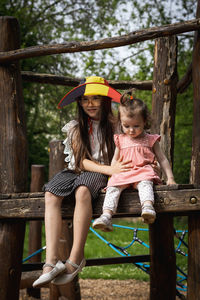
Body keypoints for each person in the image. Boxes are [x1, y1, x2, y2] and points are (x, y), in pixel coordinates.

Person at [33, 76, 133, 288]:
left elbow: (141, 131)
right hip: (82, 168)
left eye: (96, 98)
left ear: (105, 100)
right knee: (51, 192)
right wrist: (109, 169)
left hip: (103, 173)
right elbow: (80, 161)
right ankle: (50, 262)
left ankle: (75, 258)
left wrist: (114, 171)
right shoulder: (76, 127)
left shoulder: (118, 125)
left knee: (82, 190)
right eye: (86, 99)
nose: (90, 103)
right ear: (79, 102)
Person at [92, 90, 176, 231]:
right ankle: (106, 216)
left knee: (145, 184)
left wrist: (170, 178)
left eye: (136, 126)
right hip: (124, 173)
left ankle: (148, 207)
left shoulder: (150, 139)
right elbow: (115, 159)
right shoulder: (120, 139)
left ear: (144, 121)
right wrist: (112, 174)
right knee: (113, 188)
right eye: (126, 126)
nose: (131, 130)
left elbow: (162, 158)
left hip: (143, 171)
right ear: (121, 123)